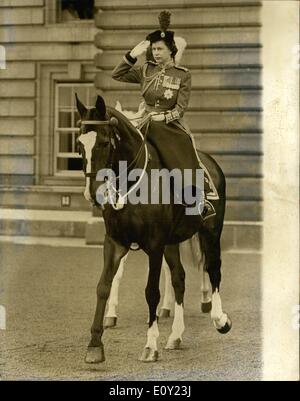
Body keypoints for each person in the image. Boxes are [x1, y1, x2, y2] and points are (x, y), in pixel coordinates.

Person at [111, 11, 218, 219]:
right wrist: (132, 54)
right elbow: (117, 74)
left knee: (183, 149)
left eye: (160, 49)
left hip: (170, 125)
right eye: (153, 49)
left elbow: (181, 107)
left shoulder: (182, 74)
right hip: (145, 120)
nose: (156, 52)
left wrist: (165, 117)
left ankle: (197, 197)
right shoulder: (145, 71)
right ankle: (118, 191)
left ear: (171, 51)